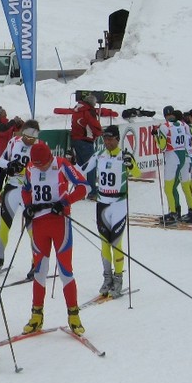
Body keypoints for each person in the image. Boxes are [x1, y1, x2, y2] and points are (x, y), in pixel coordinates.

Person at [20, 141, 90, 336]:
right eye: (37, 165)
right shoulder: (30, 167)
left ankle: (74, 316)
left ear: (49, 158)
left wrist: (65, 202)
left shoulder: (61, 164)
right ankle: (36, 316)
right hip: (39, 225)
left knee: (65, 270)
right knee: (39, 271)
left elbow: (84, 187)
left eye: (43, 164)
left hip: (60, 223)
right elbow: (25, 190)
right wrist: (28, 206)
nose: (40, 168)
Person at [79, 124, 141, 298]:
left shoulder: (124, 155)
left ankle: (118, 279)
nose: (107, 142)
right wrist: (69, 163)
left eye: (110, 139)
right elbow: (82, 170)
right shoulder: (99, 155)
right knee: (104, 243)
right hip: (102, 204)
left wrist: (131, 165)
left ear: (117, 139)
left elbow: (138, 174)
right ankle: (107, 278)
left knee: (116, 243)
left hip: (118, 204)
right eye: (105, 139)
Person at [0, 119, 40, 277]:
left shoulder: (39, 147)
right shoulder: (14, 142)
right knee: (4, 226)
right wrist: (10, 165)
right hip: (12, 188)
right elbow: (1, 160)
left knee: (32, 229)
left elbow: (42, 170)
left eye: (32, 138)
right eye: (27, 136)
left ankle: (36, 262)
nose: (29, 140)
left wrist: (24, 170)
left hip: (28, 191)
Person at [151, 105, 190, 225]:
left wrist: (155, 135)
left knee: (168, 188)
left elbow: (162, 146)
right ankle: (177, 211)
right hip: (182, 155)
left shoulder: (165, 126)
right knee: (173, 187)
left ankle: (173, 214)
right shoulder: (182, 124)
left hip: (172, 157)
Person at [70, 93, 102, 199]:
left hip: (75, 140)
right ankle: (92, 192)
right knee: (91, 166)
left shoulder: (76, 110)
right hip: (85, 141)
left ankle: (79, 190)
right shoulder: (88, 112)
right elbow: (95, 126)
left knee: (79, 167)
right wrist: (98, 133)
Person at [0, 106, 23, 191]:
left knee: (10, 172)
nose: (5, 113)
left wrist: (19, 122)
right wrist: (13, 121)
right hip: (2, 152)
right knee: (2, 172)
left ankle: (6, 190)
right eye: (3, 112)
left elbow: (19, 129)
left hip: (11, 150)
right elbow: (4, 130)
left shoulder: (8, 124)